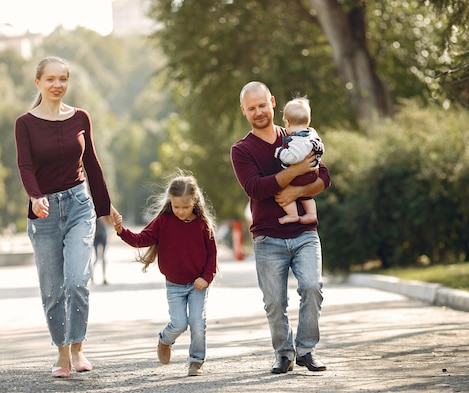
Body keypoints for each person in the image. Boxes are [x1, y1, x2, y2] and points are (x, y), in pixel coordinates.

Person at [14, 56, 119, 378]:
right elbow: (25, 166)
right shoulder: (25, 123)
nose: (57, 85)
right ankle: (61, 352)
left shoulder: (80, 118)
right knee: (52, 288)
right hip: (43, 212)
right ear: (38, 83)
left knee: (77, 281)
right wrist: (35, 197)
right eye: (50, 79)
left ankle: (78, 348)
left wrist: (105, 208)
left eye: (63, 79)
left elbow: (93, 166)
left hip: (78, 205)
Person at [230, 81, 331, 374]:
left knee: (312, 287)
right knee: (275, 303)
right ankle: (284, 353)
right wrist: (297, 171)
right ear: (244, 111)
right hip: (267, 237)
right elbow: (256, 188)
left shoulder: (298, 134)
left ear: (272, 102)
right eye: (252, 108)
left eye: (262, 105)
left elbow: (324, 176)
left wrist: (296, 193)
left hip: (304, 234)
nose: (258, 112)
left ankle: (307, 350)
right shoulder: (241, 150)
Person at [112, 173, 217, 377]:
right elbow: (141, 239)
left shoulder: (203, 225)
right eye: (176, 207)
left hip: (198, 284)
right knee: (179, 323)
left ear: (194, 202)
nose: (180, 211)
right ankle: (164, 340)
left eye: (185, 207)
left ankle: (196, 361)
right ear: (171, 202)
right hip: (175, 285)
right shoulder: (163, 221)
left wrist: (206, 277)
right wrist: (121, 231)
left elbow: (212, 255)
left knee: (197, 322)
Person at [273, 97, 324, 225]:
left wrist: (280, 152)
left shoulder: (298, 140)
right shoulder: (311, 134)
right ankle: (312, 214)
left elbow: (293, 157)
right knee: (306, 196)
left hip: (302, 175)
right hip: (313, 171)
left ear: (288, 123)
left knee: (281, 189)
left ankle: (292, 215)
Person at [92, 217, 109, 285]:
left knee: (97, 257)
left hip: (96, 235)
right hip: (101, 234)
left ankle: (92, 276)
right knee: (102, 257)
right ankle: (103, 277)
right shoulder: (102, 215)